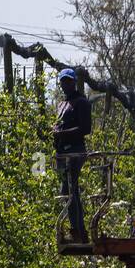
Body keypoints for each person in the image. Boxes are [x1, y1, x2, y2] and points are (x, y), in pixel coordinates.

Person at [53, 67, 92, 243]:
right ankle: (76, 230)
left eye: (68, 81)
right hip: (63, 152)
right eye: (63, 81)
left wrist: (62, 134)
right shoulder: (61, 104)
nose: (65, 84)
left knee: (71, 189)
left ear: (74, 82)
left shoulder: (81, 102)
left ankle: (79, 231)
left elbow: (86, 129)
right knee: (67, 190)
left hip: (75, 151)